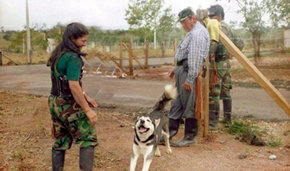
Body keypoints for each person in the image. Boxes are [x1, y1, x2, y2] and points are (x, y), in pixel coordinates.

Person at [47, 22, 98, 171]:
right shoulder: (74, 58)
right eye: (83, 41)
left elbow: (61, 80)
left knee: (60, 139)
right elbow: (73, 85)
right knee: (88, 138)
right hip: (69, 104)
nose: (84, 44)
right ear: (72, 39)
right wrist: (87, 110)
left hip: (54, 102)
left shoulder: (58, 55)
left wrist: (84, 95)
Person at [167, 7, 210, 147]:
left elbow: (195, 58)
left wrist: (190, 79)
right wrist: (176, 68)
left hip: (188, 72)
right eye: (181, 23)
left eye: (185, 22)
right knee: (176, 103)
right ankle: (168, 134)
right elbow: (185, 55)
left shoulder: (198, 33)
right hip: (183, 69)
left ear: (193, 19)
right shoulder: (193, 32)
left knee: (189, 105)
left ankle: (190, 136)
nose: (183, 25)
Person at [207, 5, 244, 130]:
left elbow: (214, 45)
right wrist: (230, 53)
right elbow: (240, 43)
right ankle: (227, 120)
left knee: (214, 93)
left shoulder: (217, 27)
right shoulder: (228, 27)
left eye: (211, 16)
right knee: (226, 92)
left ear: (219, 16)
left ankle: (213, 124)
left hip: (217, 64)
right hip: (226, 64)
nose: (210, 18)